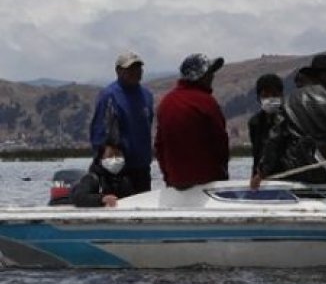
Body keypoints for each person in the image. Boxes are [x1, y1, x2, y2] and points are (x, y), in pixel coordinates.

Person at [251, 54, 326, 187]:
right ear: (319, 77)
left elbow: (275, 139)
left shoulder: (290, 101)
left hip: (304, 173)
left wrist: (261, 173)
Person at [154, 53, 230, 189]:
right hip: (208, 181)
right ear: (198, 76)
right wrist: (222, 173)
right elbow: (221, 142)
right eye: (208, 72)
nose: (212, 76)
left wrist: (168, 177)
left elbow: (159, 146)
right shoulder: (206, 102)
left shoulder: (166, 102)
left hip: (175, 183)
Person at [89, 51, 154, 194]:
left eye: (138, 68)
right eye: (130, 69)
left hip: (142, 168)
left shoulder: (147, 96)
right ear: (118, 71)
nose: (135, 72)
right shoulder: (109, 96)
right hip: (117, 170)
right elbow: (99, 132)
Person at [71, 142, 134, 207]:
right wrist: (102, 199)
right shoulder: (92, 179)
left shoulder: (125, 180)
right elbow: (79, 197)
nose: (115, 159)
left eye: (118, 155)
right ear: (101, 160)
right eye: (110, 156)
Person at [248, 74, 285, 174]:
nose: (270, 99)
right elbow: (256, 154)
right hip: (262, 178)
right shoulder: (255, 122)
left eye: (274, 95)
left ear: (281, 96)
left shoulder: (289, 119)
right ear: (258, 98)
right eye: (265, 96)